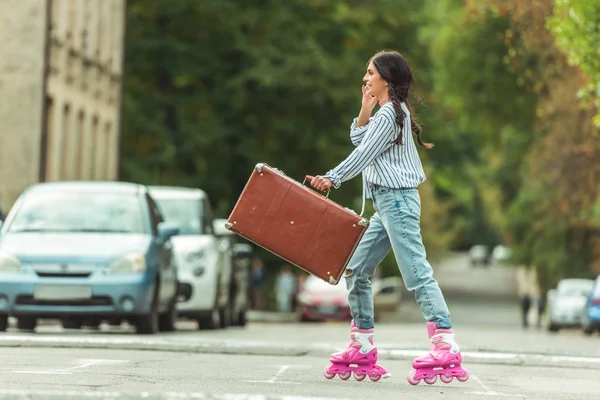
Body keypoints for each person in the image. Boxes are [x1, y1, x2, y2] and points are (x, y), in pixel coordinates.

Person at [315, 50, 468, 385]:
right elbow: (361, 138)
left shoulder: (391, 115)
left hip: (396, 202)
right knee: (355, 269)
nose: (366, 78)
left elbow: (362, 153)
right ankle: (362, 345)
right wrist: (365, 107)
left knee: (415, 273)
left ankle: (444, 342)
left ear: (386, 77)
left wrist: (332, 177)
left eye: (370, 73)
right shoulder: (387, 113)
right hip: (386, 206)